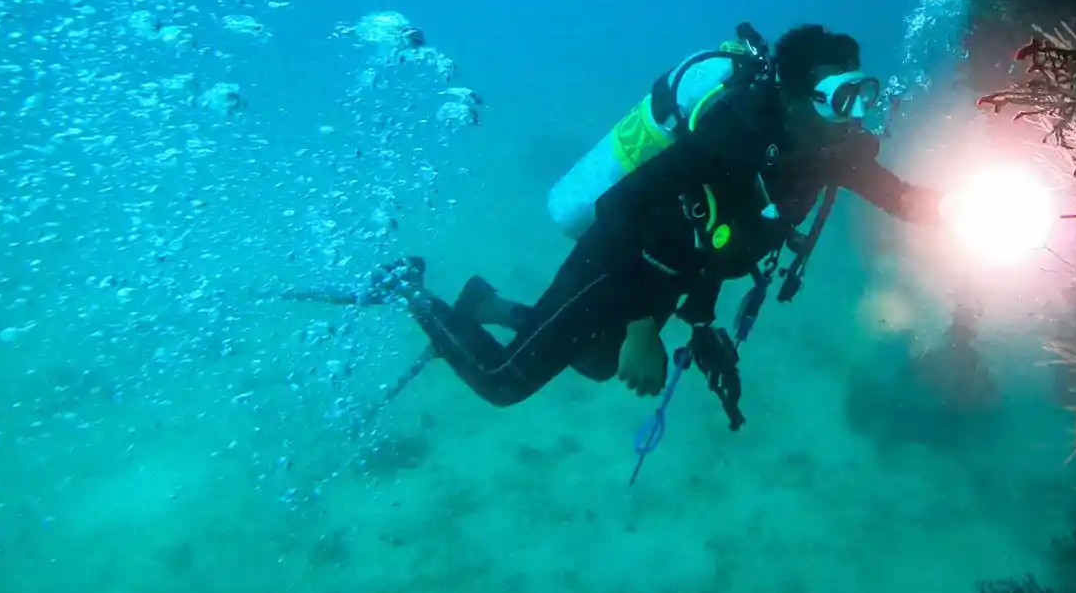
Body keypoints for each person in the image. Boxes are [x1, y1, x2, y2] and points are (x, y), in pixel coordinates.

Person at [360, 24, 945, 413]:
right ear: (797, 96)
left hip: (670, 270)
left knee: (592, 360)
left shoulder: (823, 148)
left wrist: (964, 215)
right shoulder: (733, 133)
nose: (859, 115)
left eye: (866, 94)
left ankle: (486, 304)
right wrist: (643, 330)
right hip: (621, 253)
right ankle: (408, 288)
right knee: (503, 382)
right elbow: (627, 205)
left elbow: (896, 195)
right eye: (846, 97)